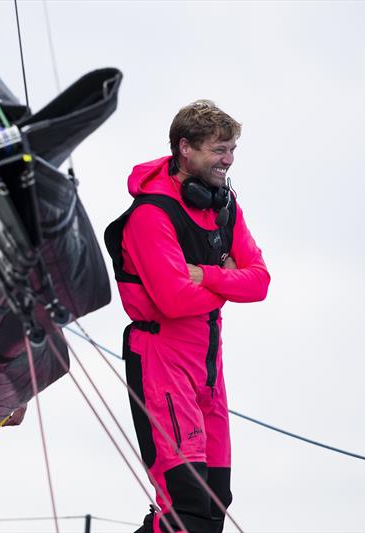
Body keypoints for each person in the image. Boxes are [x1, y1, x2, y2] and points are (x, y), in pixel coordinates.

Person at [104, 100, 270, 533]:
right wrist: (227, 282)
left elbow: (261, 282)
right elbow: (173, 299)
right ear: (184, 148)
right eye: (219, 150)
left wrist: (208, 275)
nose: (228, 160)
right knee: (189, 507)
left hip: (208, 369)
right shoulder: (151, 214)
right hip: (163, 363)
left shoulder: (223, 205)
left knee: (214, 508)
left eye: (232, 149)